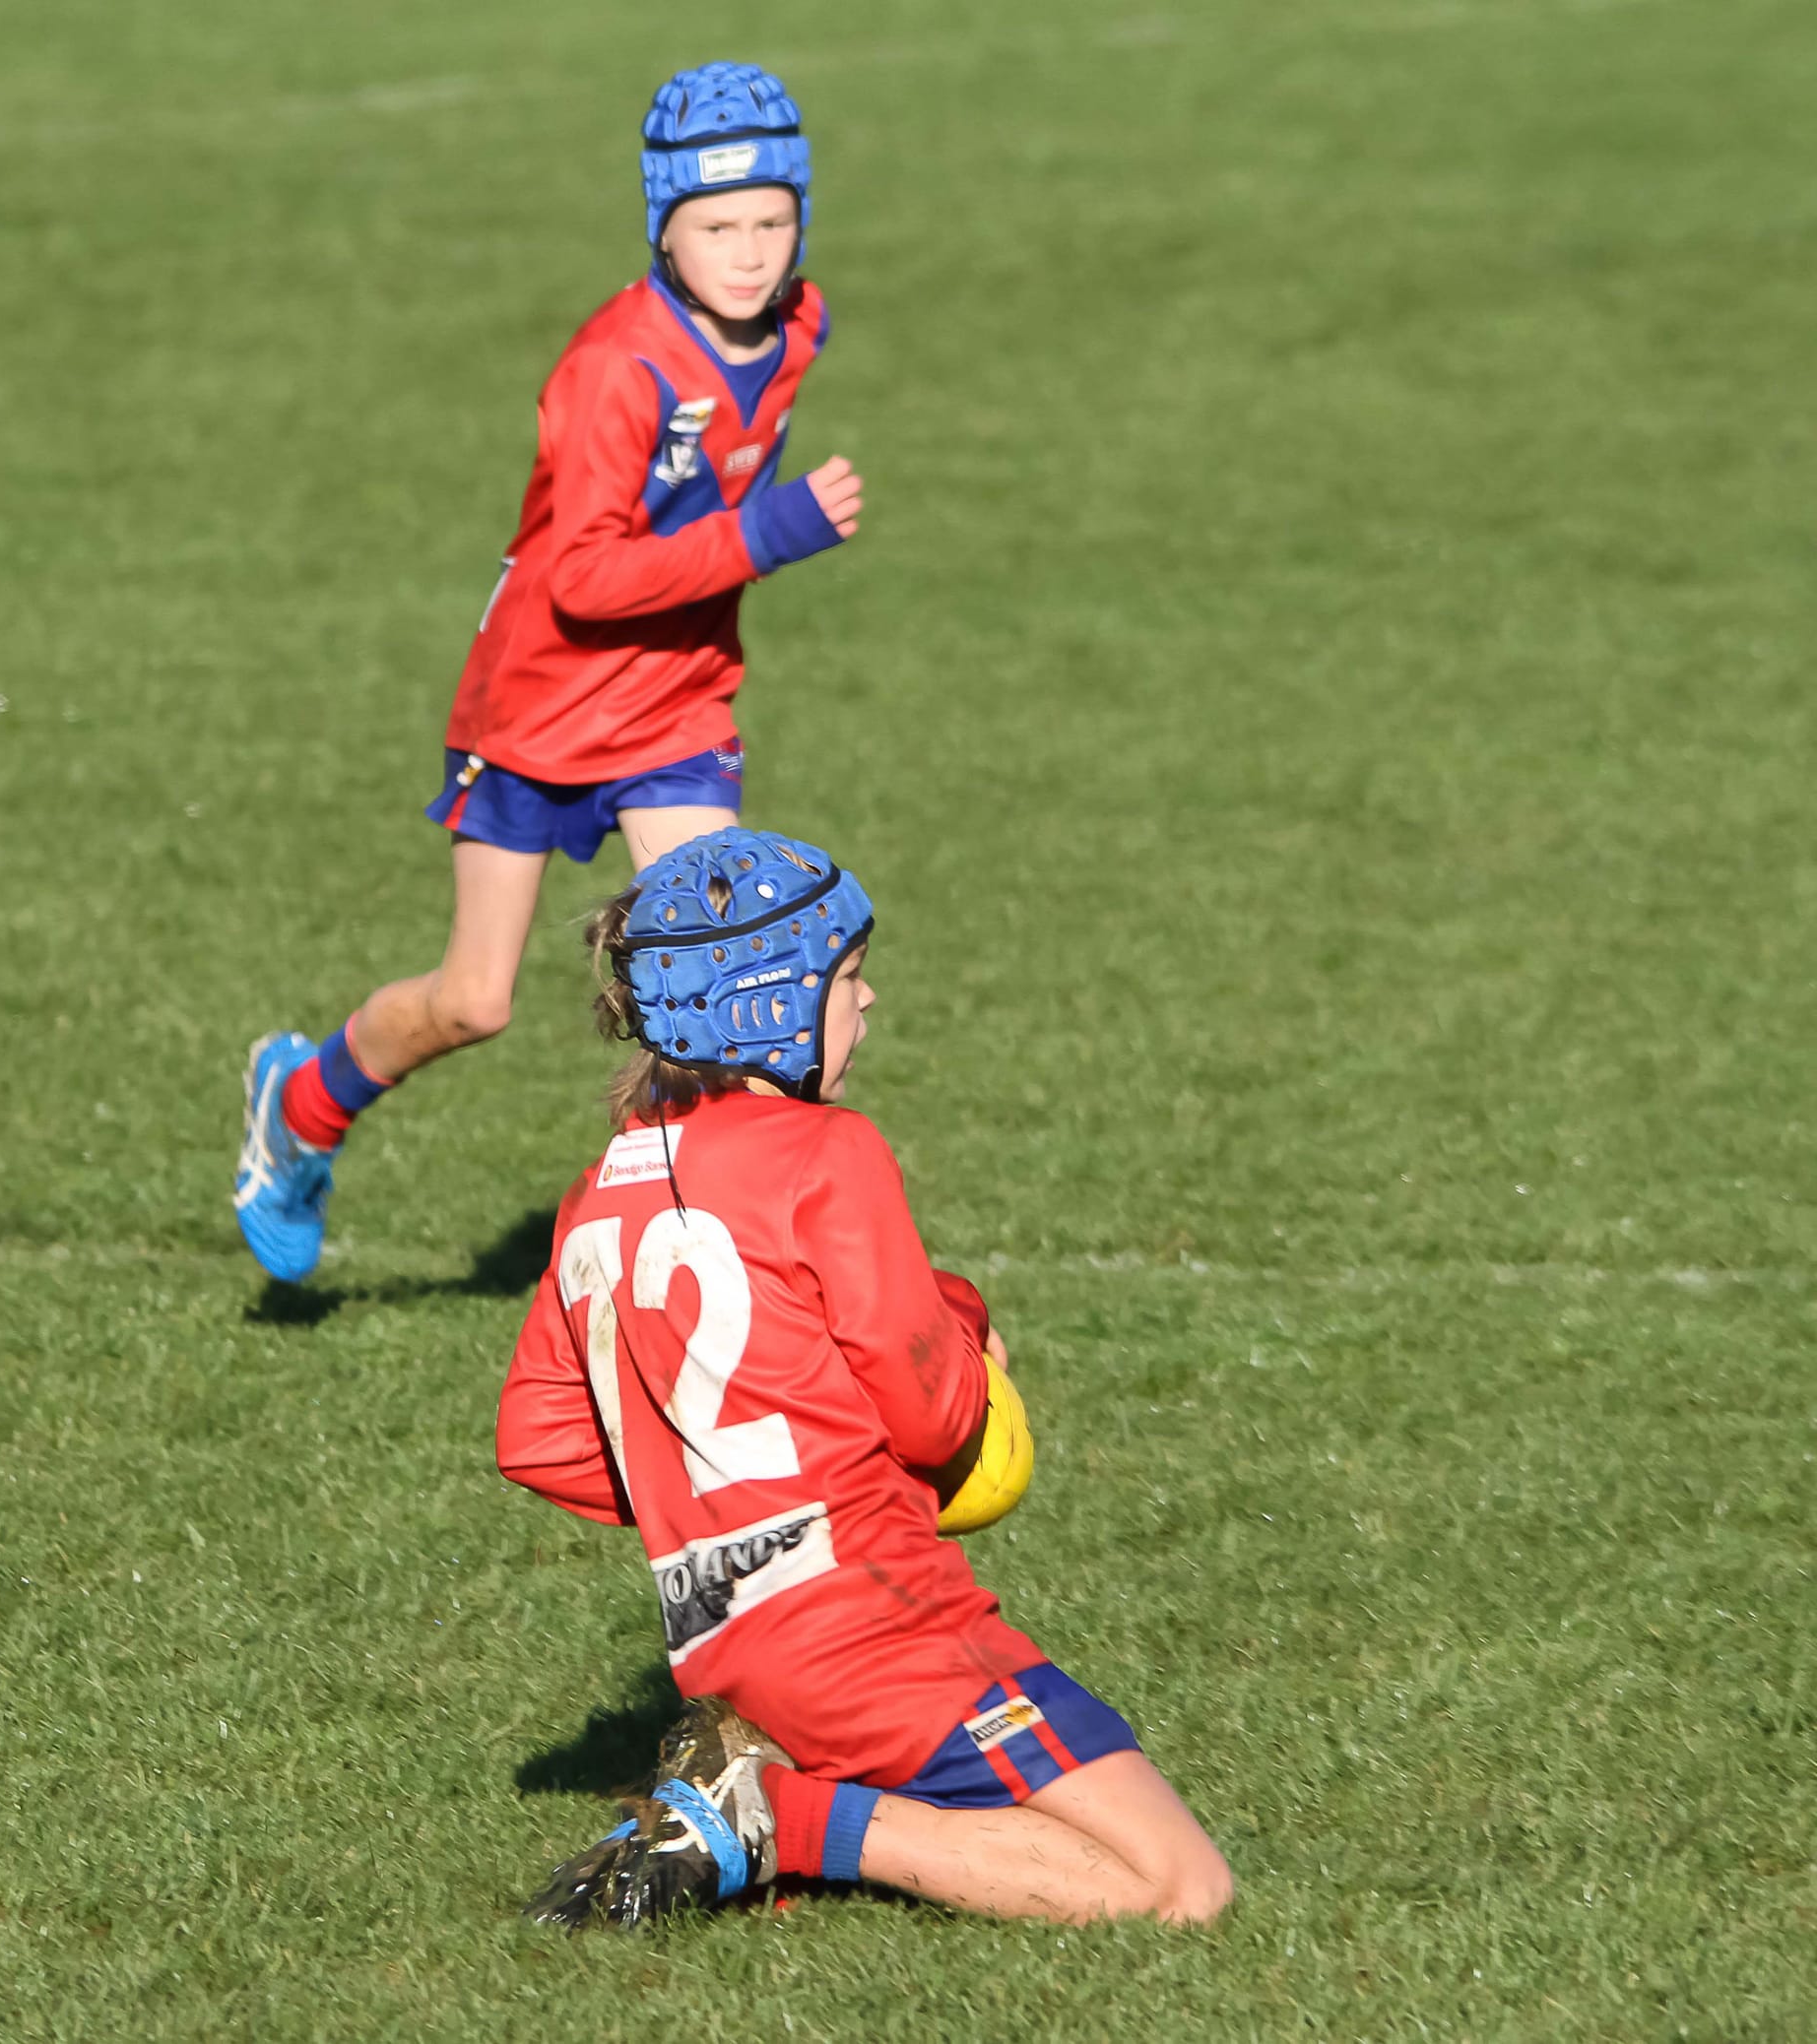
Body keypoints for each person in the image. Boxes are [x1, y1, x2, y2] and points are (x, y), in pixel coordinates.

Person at [497, 829, 1233, 1927]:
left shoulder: (598, 1188)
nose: (868, 998)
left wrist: (703, 1476)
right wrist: (965, 1320)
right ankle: (773, 1817)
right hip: (880, 1628)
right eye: (844, 978)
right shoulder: (823, 1152)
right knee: (1182, 1889)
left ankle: (757, 1787)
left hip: (720, 1645)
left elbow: (539, 1439)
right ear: (764, 1002)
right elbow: (933, 1418)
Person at [234, 62, 864, 1283]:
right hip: (538, 704)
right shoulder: (613, 373)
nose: (748, 253)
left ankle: (713, 1249)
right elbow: (581, 577)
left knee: (720, 983)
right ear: (661, 226)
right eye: (715, 226)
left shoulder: (798, 325)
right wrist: (765, 534)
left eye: (772, 222)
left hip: (676, 701)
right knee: (474, 1001)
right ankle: (300, 1106)